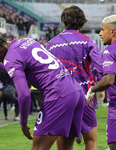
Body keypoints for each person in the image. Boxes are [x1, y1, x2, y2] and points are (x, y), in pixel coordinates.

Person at [0, 34, 85, 149]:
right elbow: (17, 65)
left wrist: (23, 123)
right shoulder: (26, 41)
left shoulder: (10, 58)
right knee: (65, 148)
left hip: (58, 96)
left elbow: (24, 95)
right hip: (75, 91)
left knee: (37, 148)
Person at [46, 5, 103, 150]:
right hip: (84, 97)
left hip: (61, 98)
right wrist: (100, 87)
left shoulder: (50, 45)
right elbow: (100, 67)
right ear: (82, 21)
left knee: (64, 146)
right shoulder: (87, 41)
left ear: (63, 21)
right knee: (90, 142)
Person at [86, 14, 116, 150]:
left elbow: (108, 80)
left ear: (112, 32)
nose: (100, 34)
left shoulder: (110, 51)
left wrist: (92, 90)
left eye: (102, 29)